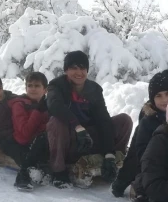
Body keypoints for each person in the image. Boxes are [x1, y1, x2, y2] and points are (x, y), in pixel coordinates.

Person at [46, 50, 133, 188]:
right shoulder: (57, 86)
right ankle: (58, 171)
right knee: (55, 122)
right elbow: (54, 106)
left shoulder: (94, 89)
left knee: (124, 120)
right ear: (66, 70)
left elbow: (103, 120)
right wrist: (77, 127)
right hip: (69, 140)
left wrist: (109, 153)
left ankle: (112, 161)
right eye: (74, 68)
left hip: (89, 140)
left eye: (82, 68)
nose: (79, 72)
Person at [112, 70, 168, 199]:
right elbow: (138, 154)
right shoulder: (149, 120)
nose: (164, 100)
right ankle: (140, 192)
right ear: (152, 99)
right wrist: (121, 182)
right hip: (155, 166)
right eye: (158, 96)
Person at [6, 72, 51, 190]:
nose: (32, 89)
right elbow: (24, 133)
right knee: (43, 137)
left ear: (45, 89)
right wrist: (38, 111)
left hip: (46, 143)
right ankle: (23, 175)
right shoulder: (19, 105)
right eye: (30, 86)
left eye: (37, 86)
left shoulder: (49, 104)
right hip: (25, 144)